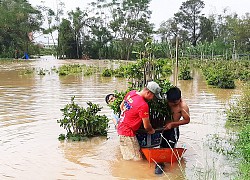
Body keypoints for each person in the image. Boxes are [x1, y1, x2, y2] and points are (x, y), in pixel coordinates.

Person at [117, 81, 162, 161]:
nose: (153, 99)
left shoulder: (132, 93)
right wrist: (152, 130)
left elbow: (121, 106)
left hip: (121, 127)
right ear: (148, 93)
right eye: (153, 96)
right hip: (127, 133)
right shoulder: (143, 105)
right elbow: (146, 126)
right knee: (136, 161)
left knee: (130, 157)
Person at [155, 86, 190, 174]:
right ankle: (160, 165)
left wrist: (172, 124)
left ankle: (169, 171)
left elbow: (187, 120)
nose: (171, 104)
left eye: (174, 102)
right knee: (159, 147)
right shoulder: (165, 100)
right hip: (162, 128)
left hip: (173, 130)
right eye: (170, 102)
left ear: (179, 99)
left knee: (169, 149)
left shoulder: (183, 106)